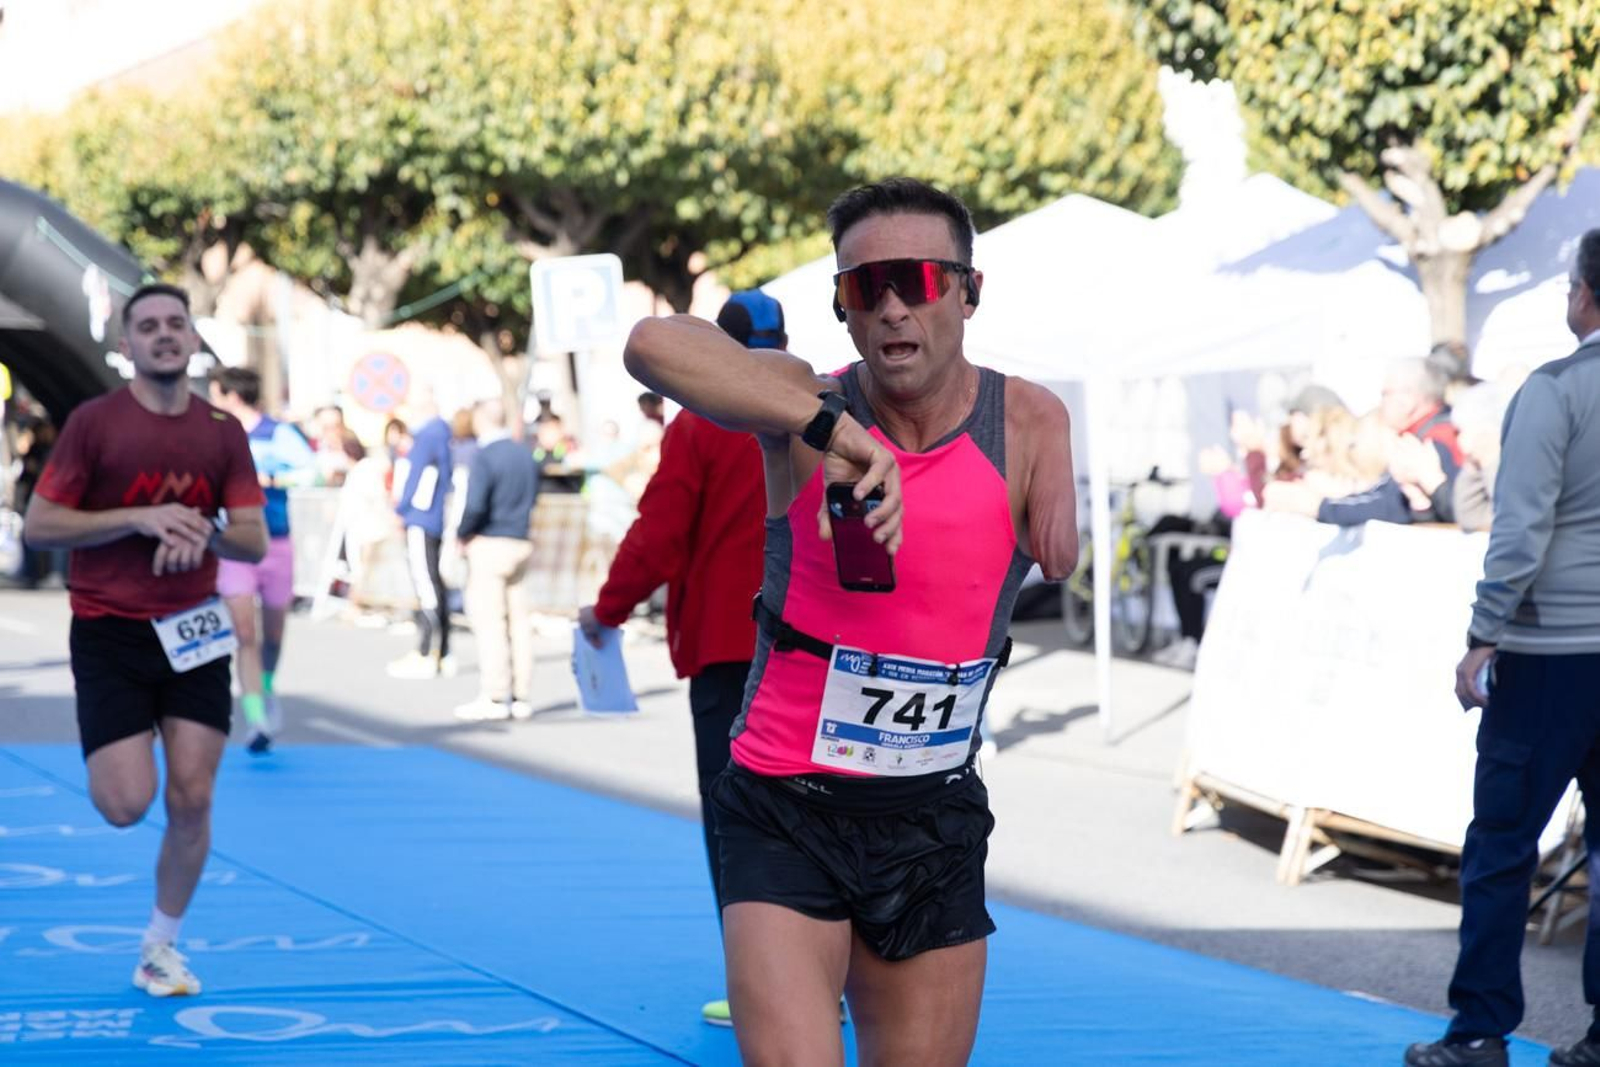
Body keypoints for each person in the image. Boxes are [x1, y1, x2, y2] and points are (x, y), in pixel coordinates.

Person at [623, 177, 1077, 1065]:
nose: (894, 307)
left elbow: (1057, 556)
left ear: (971, 292)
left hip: (932, 813)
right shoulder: (801, 401)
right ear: (842, 307)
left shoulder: (1025, 418)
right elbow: (651, 344)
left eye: (920, 280)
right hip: (785, 804)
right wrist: (831, 431)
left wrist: (1050, 528)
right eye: (866, 288)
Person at [21, 282, 268, 998]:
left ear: (194, 340)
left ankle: (160, 945)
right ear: (126, 346)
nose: (164, 334)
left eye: (176, 324)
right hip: (109, 629)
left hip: (194, 628)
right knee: (127, 804)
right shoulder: (94, 424)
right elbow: (40, 526)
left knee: (192, 798)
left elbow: (252, 538)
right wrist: (138, 516)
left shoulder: (223, 430)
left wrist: (203, 529)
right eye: (149, 326)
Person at [1406, 230, 1600, 1067]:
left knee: (1501, 847)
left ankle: (1481, 1029)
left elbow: (1520, 530)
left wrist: (1481, 635)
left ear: (1585, 294)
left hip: (1553, 650)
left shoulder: (1557, 389)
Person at [579, 289, 782, 1028]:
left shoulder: (702, 422)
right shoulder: (827, 406)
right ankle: (832, 973)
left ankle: (761, 982)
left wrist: (606, 612)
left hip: (729, 648)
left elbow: (659, 532)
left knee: (735, 816)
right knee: (825, 812)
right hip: (821, 645)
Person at [207, 367, 316, 753]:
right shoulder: (214, 434)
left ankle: (267, 687)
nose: (212, 402)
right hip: (234, 544)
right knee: (244, 635)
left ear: (233, 397)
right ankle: (255, 719)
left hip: (275, 541)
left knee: (272, 634)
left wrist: (271, 478)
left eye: (217, 395)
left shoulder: (277, 433)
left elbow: (312, 472)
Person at [453, 398, 541, 721]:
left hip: (491, 541)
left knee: (490, 621)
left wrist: (463, 533)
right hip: (519, 539)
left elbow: (475, 504)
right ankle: (521, 693)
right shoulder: (524, 453)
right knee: (518, 621)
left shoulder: (485, 456)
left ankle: (495, 693)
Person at [387, 393, 456, 679]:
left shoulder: (427, 437)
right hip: (432, 517)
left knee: (426, 584)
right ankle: (441, 652)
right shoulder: (442, 436)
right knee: (434, 582)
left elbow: (416, 477)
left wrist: (401, 508)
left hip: (421, 517)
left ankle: (429, 651)